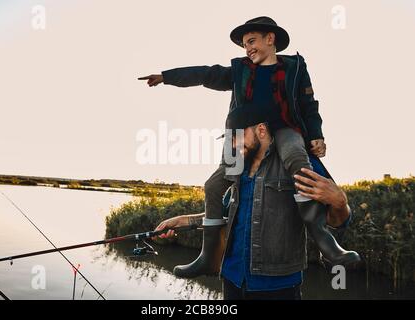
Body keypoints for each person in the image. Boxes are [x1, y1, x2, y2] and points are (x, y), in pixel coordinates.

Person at [139, 16, 359, 278]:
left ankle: (327, 245)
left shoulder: (295, 68)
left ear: (270, 39)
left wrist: (317, 135)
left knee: (298, 162)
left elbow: (310, 105)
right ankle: (208, 257)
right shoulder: (240, 70)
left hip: (286, 129)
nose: (248, 48)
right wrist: (166, 76)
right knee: (214, 185)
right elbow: (206, 73)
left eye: (252, 41)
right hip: (242, 133)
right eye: (244, 44)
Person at [155, 105, 355, 300]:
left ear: (260, 130)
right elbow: (231, 214)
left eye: (238, 136)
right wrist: (183, 221)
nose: (233, 144)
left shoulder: (299, 160)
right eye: (230, 139)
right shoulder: (237, 168)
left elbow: (336, 220)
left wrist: (339, 202)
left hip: (278, 286)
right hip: (232, 280)